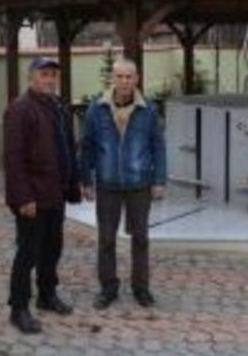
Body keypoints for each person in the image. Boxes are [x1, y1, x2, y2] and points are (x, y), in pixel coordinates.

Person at [3, 56, 85, 334]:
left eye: (53, 75)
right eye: (44, 74)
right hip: (32, 198)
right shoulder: (20, 109)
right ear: (31, 78)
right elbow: (13, 159)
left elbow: (66, 146)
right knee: (28, 253)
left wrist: (74, 182)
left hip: (55, 194)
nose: (49, 79)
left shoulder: (57, 106)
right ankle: (18, 307)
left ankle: (47, 295)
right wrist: (23, 197)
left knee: (52, 249)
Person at [80, 58, 166, 310]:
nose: (125, 81)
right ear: (112, 79)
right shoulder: (96, 109)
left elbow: (158, 146)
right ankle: (108, 288)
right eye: (120, 76)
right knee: (106, 239)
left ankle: (141, 288)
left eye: (129, 76)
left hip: (140, 183)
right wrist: (86, 179)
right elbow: (87, 147)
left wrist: (159, 179)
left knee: (140, 239)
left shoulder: (148, 110)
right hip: (107, 184)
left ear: (136, 79)